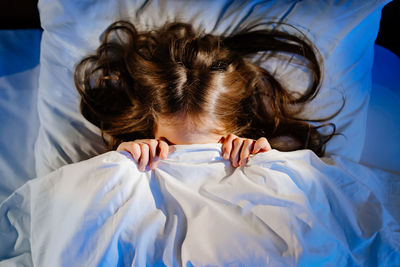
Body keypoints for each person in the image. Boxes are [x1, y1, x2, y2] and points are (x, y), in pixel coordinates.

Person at [74, 20, 334, 172]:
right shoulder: (135, 153)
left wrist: (270, 162)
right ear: (150, 129)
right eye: (168, 142)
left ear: (235, 130)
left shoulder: (256, 154)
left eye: (215, 144)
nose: (189, 157)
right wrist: (121, 159)